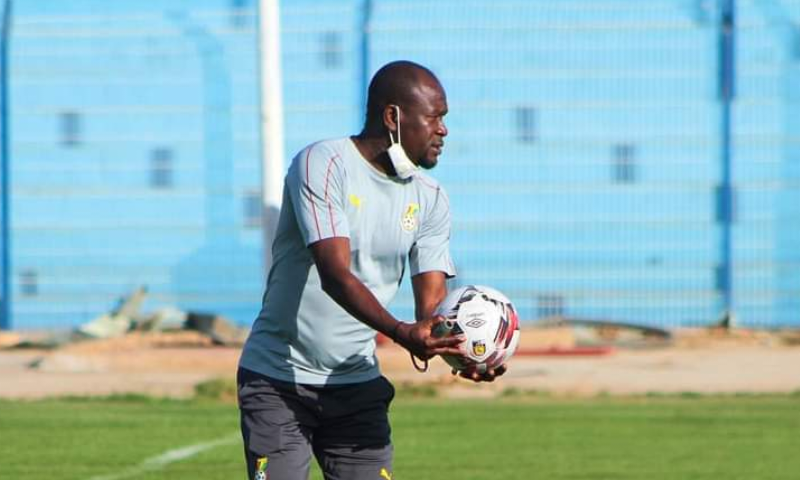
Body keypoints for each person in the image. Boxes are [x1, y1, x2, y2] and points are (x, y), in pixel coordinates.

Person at [237, 60, 505, 480]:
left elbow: (432, 308)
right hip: (279, 381)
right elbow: (335, 275)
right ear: (393, 117)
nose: (444, 130)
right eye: (435, 117)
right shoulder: (322, 164)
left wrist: (464, 350)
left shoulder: (431, 198)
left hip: (357, 388)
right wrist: (401, 334)